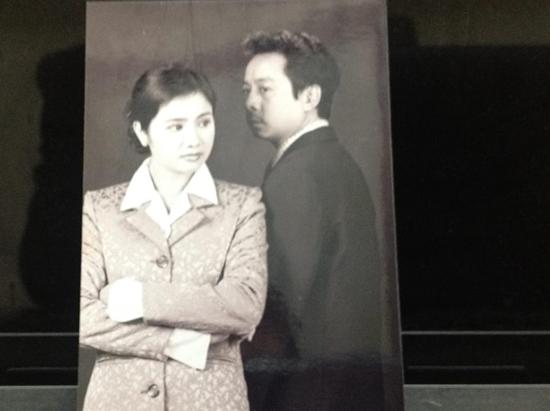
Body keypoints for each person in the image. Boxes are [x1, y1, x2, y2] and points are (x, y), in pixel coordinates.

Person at [79, 63, 268, 411]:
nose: (194, 139)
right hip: (119, 400)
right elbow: (84, 319)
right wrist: (177, 342)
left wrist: (139, 299)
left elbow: (245, 306)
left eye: (204, 122)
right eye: (176, 126)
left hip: (211, 399)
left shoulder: (242, 205)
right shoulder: (99, 208)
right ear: (142, 132)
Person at [241, 31, 383, 410]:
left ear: (310, 97)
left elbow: (281, 307)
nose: (251, 101)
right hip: (339, 386)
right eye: (247, 90)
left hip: (304, 391)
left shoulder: (299, 173)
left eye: (265, 89)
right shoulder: (331, 161)